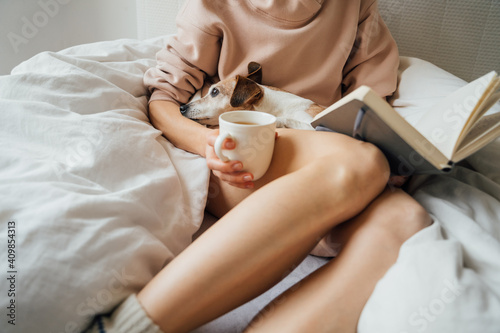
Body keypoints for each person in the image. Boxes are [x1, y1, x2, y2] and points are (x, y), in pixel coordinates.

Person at [85, 1, 432, 332]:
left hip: (330, 156)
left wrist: (399, 151)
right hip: (247, 156)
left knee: (406, 218)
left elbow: (371, 103)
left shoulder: (356, 5)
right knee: (362, 160)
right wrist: (205, 142)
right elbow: (163, 97)